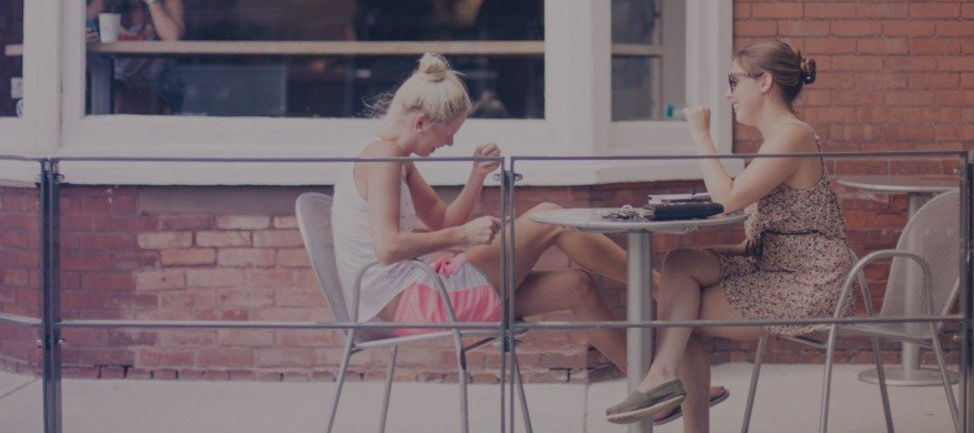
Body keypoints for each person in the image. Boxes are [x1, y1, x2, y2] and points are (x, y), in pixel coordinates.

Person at [332, 53, 725, 424]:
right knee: (548, 216)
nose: (448, 144)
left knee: (577, 286)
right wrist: (463, 235)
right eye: (447, 135)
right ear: (419, 123)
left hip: (424, 293)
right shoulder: (383, 159)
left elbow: (441, 220)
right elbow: (387, 249)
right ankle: (661, 289)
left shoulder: (394, 158)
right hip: (419, 303)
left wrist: (476, 176)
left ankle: (652, 392)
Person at [605, 41, 854, 431]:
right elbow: (781, 226)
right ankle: (664, 377)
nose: (728, 93)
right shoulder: (776, 140)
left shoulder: (794, 136)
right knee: (680, 264)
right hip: (772, 266)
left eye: (733, 81)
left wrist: (702, 136)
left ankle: (663, 379)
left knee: (678, 317)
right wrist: (726, 252)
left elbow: (729, 200)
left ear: (765, 82)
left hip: (807, 282)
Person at [86, 0, 186, 114]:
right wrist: (86, 33)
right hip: (116, 87)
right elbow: (78, 23)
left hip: (158, 89)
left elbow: (172, 37)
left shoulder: (168, 0)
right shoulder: (106, 0)